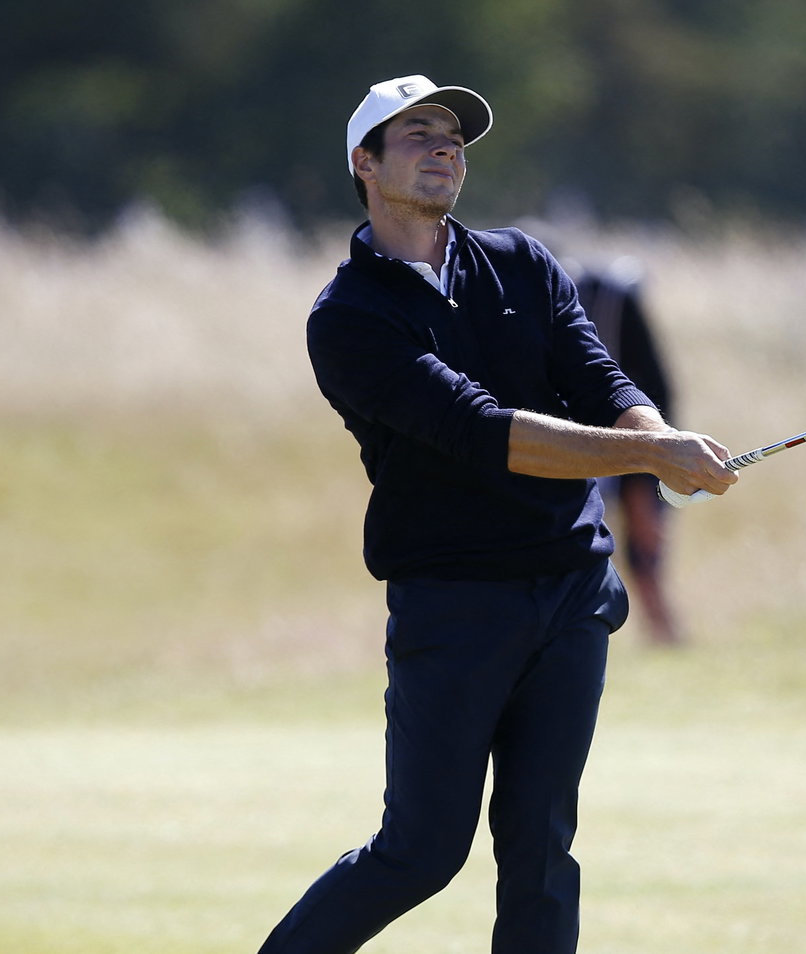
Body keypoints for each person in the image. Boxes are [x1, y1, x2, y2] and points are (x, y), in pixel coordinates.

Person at [257, 74, 736, 954]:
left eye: (455, 136)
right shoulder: (350, 318)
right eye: (418, 134)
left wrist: (658, 432)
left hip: (568, 591)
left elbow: (600, 378)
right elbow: (486, 433)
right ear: (365, 164)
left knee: (541, 851)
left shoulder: (520, 262)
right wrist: (649, 455)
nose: (446, 147)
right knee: (421, 851)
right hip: (456, 604)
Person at [574, 260, 684, 645]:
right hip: (582, 441)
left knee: (644, 542)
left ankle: (663, 634)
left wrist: (653, 454)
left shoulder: (616, 299)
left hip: (641, 441)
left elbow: (656, 387)